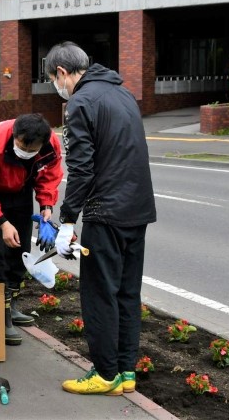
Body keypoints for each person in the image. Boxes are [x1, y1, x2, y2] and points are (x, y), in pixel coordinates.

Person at [44, 41, 156, 395]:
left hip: (105, 213)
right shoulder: (123, 94)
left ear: (62, 73)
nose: (56, 86)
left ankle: (104, 374)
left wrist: (66, 221)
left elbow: (81, 169)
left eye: (52, 79)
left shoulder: (79, 102)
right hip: (137, 210)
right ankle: (125, 372)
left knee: (99, 294)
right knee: (127, 293)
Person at [0, 113, 63, 346]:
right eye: (21, 146)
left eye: (32, 149)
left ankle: (12, 305)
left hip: (21, 190)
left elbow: (49, 177)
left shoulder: (50, 145)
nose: (25, 151)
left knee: (20, 250)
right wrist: (2, 222)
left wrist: (46, 207)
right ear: (14, 136)